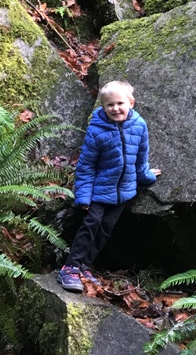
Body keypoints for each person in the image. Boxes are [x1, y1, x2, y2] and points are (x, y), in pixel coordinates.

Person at [58, 80, 161, 292]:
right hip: (98, 191)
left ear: (131, 103)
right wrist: (83, 196)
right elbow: (86, 166)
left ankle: (86, 266)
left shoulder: (139, 126)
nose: (115, 108)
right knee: (91, 225)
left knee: (105, 229)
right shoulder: (97, 131)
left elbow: (141, 158)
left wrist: (147, 176)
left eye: (120, 103)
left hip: (123, 192)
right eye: (109, 105)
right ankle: (70, 267)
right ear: (103, 107)